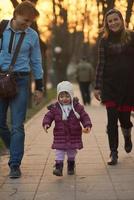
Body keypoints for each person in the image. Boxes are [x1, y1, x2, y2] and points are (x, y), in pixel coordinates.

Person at [0, 0, 44, 178]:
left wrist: (39, 87)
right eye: (25, 20)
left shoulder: (32, 35)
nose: (28, 24)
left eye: (31, 22)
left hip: (21, 81)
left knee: (17, 125)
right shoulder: (1, 28)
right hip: (0, 78)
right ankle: (13, 147)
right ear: (15, 14)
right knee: (0, 123)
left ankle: (15, 164)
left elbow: (36, 61)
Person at [94, 8, 134, 165]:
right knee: (111, 120)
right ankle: (113, 153)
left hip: (129, 86)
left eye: (115, 19)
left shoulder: (131, 37)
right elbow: (101, 64)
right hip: (110, 86)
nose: (113, 23)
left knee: (124, 119)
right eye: (109, 21)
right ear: (106, 24)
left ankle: (127, 134)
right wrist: (97, 86)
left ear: (121, 20)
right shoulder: (104, 41)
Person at [42, 81, 92, 176]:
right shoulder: (55, 108)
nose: (64, 99)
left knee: (71, 152)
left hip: (74, 134)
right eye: (61, 97)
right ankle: (58, 167)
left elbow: (84, 116)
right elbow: (48, 116)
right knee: (59, 151)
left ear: (71, 96)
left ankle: (71, 165)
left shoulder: (77, 107)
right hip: (60, 135)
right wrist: (46, 124)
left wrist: (87, 125)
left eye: (67, 96)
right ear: (58, 97)